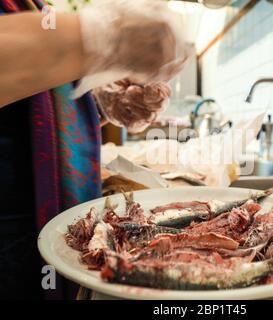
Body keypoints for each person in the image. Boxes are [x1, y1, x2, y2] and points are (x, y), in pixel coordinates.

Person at [0, 0, 188, 299]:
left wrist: (99, 104)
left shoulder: (32, 5)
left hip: (56, 245)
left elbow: (25, 118)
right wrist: (100, 36)